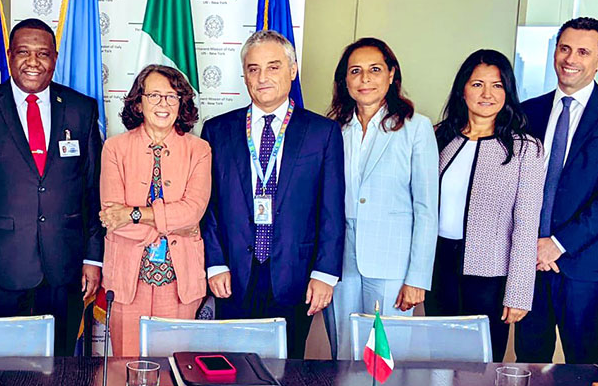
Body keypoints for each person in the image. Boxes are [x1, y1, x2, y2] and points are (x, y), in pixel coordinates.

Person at [0, 18, 103, 357]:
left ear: (54, 58)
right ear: (9, 57)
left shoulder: (81, 110)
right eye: (23, 52)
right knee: (6, 368)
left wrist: (93, 258)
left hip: (66, 270)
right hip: (2, 270)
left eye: (43, 53)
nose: (33, 62)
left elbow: (92, 192)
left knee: (62, 365)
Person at [201, 29, 344, 358]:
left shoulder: (322, 132)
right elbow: (209, 208)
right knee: (230, 366)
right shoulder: (217, 130)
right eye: (253, 69)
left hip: (295, 274)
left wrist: (324, 274)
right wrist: (216, 263)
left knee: (286, 368)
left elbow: (331, 210)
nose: (262, 77)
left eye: (273, 67)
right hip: (233, 274)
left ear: (293, 71)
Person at [515, 17, 598, 364]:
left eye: (583, 51)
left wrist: (556, 244)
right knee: (529, 364)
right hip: (529, 264)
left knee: (582, 369)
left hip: (585, 268)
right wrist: (532, 244)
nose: (570, 58)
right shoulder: (528, 112)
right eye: (564, 48)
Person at [427, 49, 542, 360]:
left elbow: (526, 225)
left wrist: (518, 292)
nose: (487, 94)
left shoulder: (525, 149)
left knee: (480, 365)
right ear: (463, 89)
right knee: (437, 359)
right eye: (477, 84)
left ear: (508, 91)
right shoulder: (439, 137)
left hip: (489, 274)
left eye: (497, 85)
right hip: (439, 267)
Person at [327, 37, 438, 359]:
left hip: (392, 263)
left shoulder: (416, 128)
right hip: (340, 259)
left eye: (375, 70)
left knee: (384, 359)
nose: (365, 79)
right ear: (344, 80)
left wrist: (417, 277)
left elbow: (426, 208)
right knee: (343, 353)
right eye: (355, 71)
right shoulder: (333, 128)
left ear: (391, 75)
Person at [99, 65, 211, 357]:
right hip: (127, 277)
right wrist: (172, 221)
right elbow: (113, 217)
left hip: (179, 278)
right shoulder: (114, 148)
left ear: (182, 103)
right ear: (138, 102)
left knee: (174, 370)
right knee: (126, 366)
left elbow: (192, 212)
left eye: (172, 97)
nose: (164, 104)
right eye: (155, 96)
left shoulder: (199, 150)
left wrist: (134, 213)